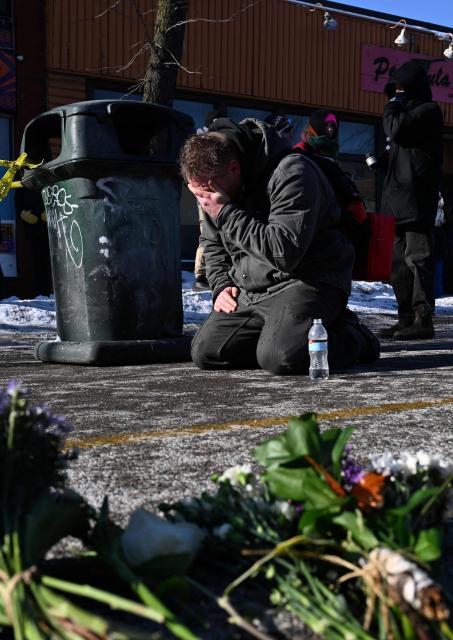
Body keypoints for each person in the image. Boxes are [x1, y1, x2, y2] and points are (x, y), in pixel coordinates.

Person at [179, 117, 379, 375]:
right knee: (207, 351)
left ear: (234, 168)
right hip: (252, 285)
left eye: (207, 194)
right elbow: (212, 242)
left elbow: (284, 252)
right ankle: (285, 334)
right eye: (198, 196)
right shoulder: (210, 185)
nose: (205, 201)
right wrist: (220, 285)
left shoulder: (292, 173)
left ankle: (353, 335)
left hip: (308, 278)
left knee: (282, 357)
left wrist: (226, 212)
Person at [380, 60, 443, 340]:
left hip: (417, 203)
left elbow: (397, 130)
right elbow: (401, 146)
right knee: (398, 266)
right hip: (397, 203)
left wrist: (392, 104)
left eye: (402, 88)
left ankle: (422, 320)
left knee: (418, 261)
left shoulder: (428, 111)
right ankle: (405, 319)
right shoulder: (407, 115)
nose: (397, 93)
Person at [193, 109, 225, 291]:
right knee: (207, 232)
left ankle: (208, 271)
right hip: (205, 194)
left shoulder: (208, 142)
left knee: (211, 232)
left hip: (209, 192)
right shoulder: (204, 143)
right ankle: (201, 273)